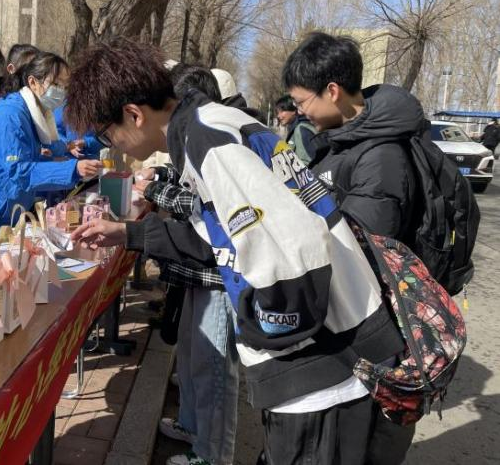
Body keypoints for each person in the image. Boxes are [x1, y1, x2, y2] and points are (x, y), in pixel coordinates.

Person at [65, 37, 408, 465]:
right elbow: (221, 240)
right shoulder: (206, 124)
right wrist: (129, 233)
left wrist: (258, 329)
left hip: (323, 363)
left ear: (134, 114)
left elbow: (296, 249)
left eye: (106, 132)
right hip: (326, 350)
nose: (111, 144)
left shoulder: (207, 142)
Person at [135, 64, 239, 465]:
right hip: (198, 273)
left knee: (214, 370)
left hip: (218, 275)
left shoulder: (217, 141)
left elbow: (200, 207)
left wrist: (155, 190)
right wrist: (162, 175)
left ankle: (212, 456)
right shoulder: (196, 135)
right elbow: (185, 182)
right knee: (195, 359)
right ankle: (193, 426)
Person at [283, 32, 420, 244]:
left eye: (300, 102)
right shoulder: (337, 140)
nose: (299, 111)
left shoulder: (380, 157)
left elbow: (360, 247)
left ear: (332, 92)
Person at [0, 52, 102, 227]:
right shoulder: (10, 116)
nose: (61, 92)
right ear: (33, 82)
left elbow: (41, 148)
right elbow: (21, 171)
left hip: (2, 215)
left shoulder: (36, 115)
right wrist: (73, 169)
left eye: (65, 87)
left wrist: (64, 151)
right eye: (56, 84)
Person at [274, 95, 316, 166]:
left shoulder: (300, 129)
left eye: (282, 111)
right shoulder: (297, 127)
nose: (278, 116)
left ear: (293, 110)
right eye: (277, 113)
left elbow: (305, 162)